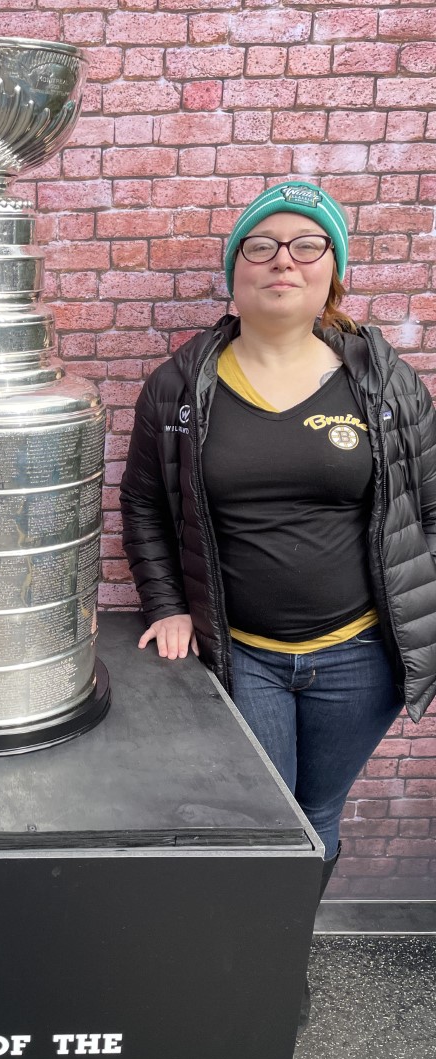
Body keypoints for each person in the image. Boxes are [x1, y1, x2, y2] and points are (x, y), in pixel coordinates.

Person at [120, 180, 436, 914]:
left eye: (306, 245)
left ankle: (282, 959)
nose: (282, 262)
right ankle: (243, 971)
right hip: (242, 654)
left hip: (360, 659)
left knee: (317, 818)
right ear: (234, 276)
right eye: (259, 247)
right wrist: (166, 604)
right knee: (261, 824)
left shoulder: (382, 383)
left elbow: (429, 506)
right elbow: (143, 505)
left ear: (333, 272)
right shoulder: (180, 387)